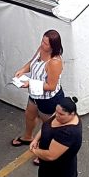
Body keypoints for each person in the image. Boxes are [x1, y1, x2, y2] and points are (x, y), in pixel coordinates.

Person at [11, 30, 64, 158]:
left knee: (47, 126)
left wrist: (30, 84)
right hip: (35, 95)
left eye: (46, 43)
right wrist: (22, 70)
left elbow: (51, 86)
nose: (42, 44)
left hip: (48, 99)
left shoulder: (55, 62)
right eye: (42, 41)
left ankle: (44, 150)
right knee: (29, 114)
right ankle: (28, 137)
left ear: (53, 46)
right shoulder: (41, 50)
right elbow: (32, 63)